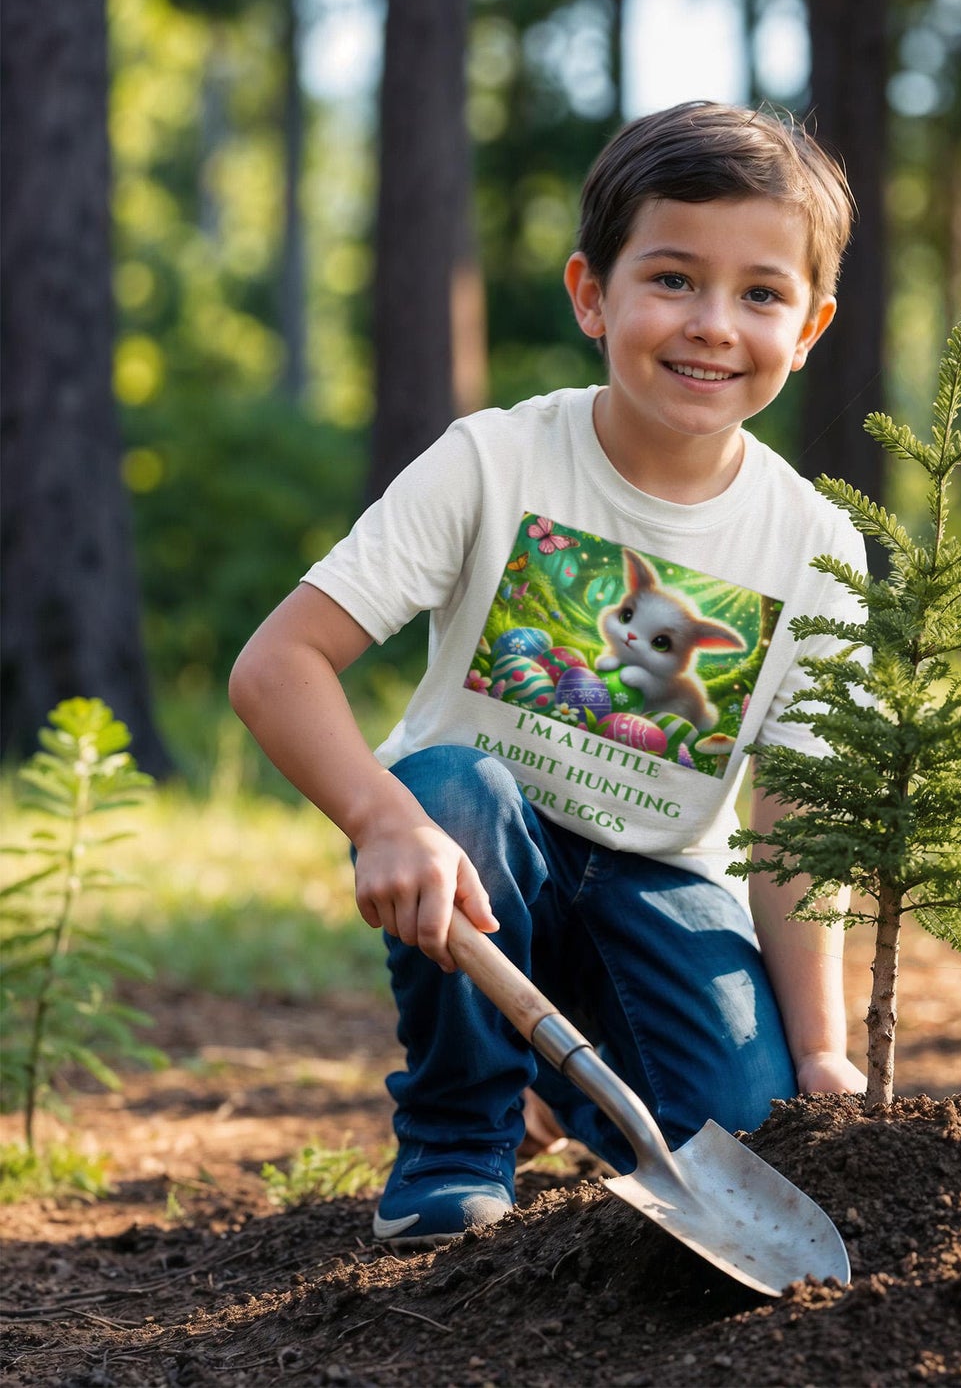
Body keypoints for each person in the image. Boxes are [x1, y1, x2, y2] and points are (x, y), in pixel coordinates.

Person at [230, 100, 868, 1248]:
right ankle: (455, 1135)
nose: (713, 324)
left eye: (760, 294)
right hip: (478, 855)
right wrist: (382, 817)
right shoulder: (495, 459)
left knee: (743, 1122)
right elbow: (278, 666)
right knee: (454, 787)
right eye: (671, 278)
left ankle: (564, 1083)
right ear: (591, 293)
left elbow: (797, 811)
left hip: (658, 882)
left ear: (810, 322)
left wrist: (820, 1046)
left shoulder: (813, 545)